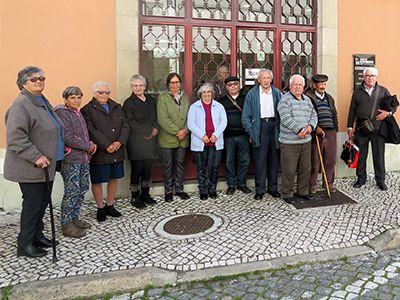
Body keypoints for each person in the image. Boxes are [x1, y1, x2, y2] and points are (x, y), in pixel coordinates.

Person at [4, 66, 64, 258]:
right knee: (32, 205)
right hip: (32, 166)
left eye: (41, 78)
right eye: (33, 79)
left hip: (47, 165)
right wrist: (36, 156)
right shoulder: (21, 104)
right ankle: (25, 244)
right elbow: (15, 137)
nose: (39, 81)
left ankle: (37, 236)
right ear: (23, 83)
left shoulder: (40, 100)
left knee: (41, 203)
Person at [81, 81, 129, 222]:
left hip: (117, 149)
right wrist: (106, 145)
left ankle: (110, 205)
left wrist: (119, 142)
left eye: (106, 92)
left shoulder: (117, 107)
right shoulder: (87, 110)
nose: (104, 95)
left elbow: (125, 126)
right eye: (100, 92)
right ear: (94, 94)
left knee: (113, 178)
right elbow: (91, 130)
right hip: (100, 152)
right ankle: (100, 208)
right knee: (97, 180)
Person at [54, 87, 96, 238]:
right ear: (65, 99)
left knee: (82, 188)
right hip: (71, 160)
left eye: (79, 97)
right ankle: (66, 224)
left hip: (84, 159)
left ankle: (74, 218)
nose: (76, 100)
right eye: (73, 97)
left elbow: (83, 134)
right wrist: (88, 146)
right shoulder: (62, 113)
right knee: (72, 191)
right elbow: (68, 137)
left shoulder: (78, 112)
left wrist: (90, 142)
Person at [347, 67, 393, 190]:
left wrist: (388, 114)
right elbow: (352, 110)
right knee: (361, 155)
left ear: (376, 77)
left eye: (373, 75)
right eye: (368, 75)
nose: (370, 78)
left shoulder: (383, 91)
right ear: (364, 77)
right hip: (361, 129)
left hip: (378, 129)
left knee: (378, 155)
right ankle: (361, 179)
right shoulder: (357, 91)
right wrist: (350, 126)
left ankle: (380, 180)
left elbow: (393, 105)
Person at [242, 69, 282, 200]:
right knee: (260, 161)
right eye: (263, 78)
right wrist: (252, 132)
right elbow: (245, 117)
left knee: (274, 159)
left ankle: (273, 188)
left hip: (274, 126)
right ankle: (259, 190)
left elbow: (282, 114)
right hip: (259, 128)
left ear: (271, 79)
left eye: (268, 78)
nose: (265, 80)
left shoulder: (277, 93)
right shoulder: (252, 94)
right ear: (258, 80)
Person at [277, 74, 318, 204]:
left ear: (304, 86)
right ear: (290, 86)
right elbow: (285, 118)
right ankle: (287, 193)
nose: (298, 87)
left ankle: (303, 191)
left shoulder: (307, 100)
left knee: (305, 168)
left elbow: (314, 115)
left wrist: (311, 126)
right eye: (295, 84)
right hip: (290, 142)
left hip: (305, 141)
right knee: (289, 170)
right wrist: (299, 130)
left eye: (300, 85)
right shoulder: (285, 100)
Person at [123, 74, 159, 209]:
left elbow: (156, 116)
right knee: (137, 169)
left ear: (145, 86)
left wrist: (156, 128)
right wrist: (148, 132)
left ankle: (146, 194)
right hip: (136, 141)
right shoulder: (128, 103)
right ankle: (135, 196)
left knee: (147, 169)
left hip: (151, 142)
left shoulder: (150, 100)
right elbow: (130, 122)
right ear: (131, 87)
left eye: (141, 85)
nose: (138, 88)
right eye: (135, 85)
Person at [188, 83, 227, 200]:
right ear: (200, 94)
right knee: (201, 167)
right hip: (200, 142)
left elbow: (223, 122)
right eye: (204, 92)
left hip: (215, 141)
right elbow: (191, 124)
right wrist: (202, 135)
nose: (206, 94)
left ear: (212, 93)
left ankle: (212, 188)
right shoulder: (194, 107)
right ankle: (203, 190)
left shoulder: (219, 106)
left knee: (214, 167)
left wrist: (216, 135)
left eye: (208, 92)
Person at [157, 73, 190, 202]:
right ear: (168, 84)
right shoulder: (163, 98)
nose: (175, 85)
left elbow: (190, 115)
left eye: (177, 82)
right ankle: (168, 191)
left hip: (183, 138)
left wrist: (186, 130)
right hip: (167, 139)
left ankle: (180, 189)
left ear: (180, 83)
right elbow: (162, 119)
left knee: (180, 164)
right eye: (172, 82)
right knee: (167, 165)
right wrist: (178, 132)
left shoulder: (185, 97)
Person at [306, 74, 338, 193]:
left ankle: (328, 183)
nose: (323, 86)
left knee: (330, 160)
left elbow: (334, 114)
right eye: (321, 84)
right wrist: (315, 128)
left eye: (325, 84)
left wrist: (335, 129)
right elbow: (307, 115)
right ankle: (312, 185)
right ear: (315, 85)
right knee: (315, 161)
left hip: (330, 132)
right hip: (316, 133)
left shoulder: (329, 98)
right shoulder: (308, 97)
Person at [219, 76, 251, 195]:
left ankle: (242, 184)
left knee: (244, 160)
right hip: (228, 136)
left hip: (243, 135)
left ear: (239, 85)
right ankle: (231, 185)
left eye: (235, 84)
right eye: (230, 85)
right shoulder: (221, 101)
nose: (233, 86)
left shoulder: (246, 99)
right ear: (226, 87)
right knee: (229, 161)